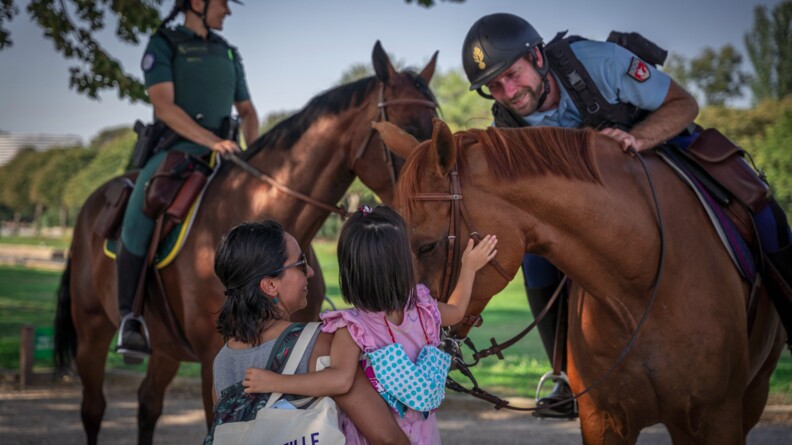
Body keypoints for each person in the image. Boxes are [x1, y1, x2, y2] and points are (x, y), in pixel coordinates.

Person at [462, 12, 792, 419]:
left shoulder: (600, 61)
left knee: (758, 203)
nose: (508, 91)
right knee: (534, 257)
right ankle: (563, 376)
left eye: (512, 74)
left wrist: (638, 138)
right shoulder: (507, 128)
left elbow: (683, 104)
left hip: (656, 148)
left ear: (537, 56)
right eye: (494, 85)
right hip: (589, 205)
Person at [242, 206, 498, 444]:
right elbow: (457, 311)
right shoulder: (421, 310)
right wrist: (469, 268)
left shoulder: (356, 326)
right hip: (420, 434)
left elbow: (339, 379)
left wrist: (273, 382)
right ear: (402, 264)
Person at [115, 0, 259, 359]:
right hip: (174, 152)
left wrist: (256, 159)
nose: (227, 11)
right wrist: (212, 141)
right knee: (140, 207)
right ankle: (129, 319)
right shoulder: (163, 43)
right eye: (223, 3)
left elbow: (248, 111)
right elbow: (164, 107)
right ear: (198, 2)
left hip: (227, 154)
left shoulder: (228, 53)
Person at [210, 220, 410, 445]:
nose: (312, 272)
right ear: (270, 286)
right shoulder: (321, 343)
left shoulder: (222, 362)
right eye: (301, 264)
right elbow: (388, 439)